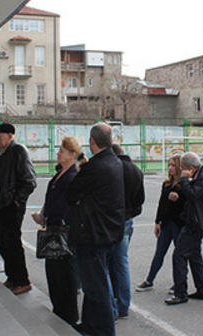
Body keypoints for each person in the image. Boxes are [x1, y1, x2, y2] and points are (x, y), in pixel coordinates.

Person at [65, 123, 125, 336]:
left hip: (92, 233)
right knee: (94, 283)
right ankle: (89, 324)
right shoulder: (116, 162)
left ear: (92, 142)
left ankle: (106, 330)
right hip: (109, 232)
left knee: (97, 287)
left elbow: (71, 193)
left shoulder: (94, 166)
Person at [32, 136, 86, 326]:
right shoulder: (60, 174)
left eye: (62, 151)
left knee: (65, 274)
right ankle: (59, 309)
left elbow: (66, 205)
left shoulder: (72, 176)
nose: (58, 153)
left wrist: (49, 217)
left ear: (72, 155)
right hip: (53, 227)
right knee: (53, 273)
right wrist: (43, 215)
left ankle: (69, 314)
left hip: (63, 230)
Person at [0, 123, 37, 294]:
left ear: (10, 136)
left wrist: (17, 201)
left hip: (11, 205)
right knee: (3, 242)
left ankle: (22, 280)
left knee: (12, 243)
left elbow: (29, 181)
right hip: (0, 204)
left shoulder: (18, 151)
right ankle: (12, 277)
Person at [165, 152, 203, 305]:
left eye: (183, 168)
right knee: (194, 255)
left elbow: (192, 194)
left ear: (190, 168)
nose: (181, 171)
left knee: (179, 255)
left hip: (197, 222)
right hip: (194, 220)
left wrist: (184, 179)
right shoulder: (201, 176)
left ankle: (180, 292)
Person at [137, 155, 185, 292]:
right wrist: (157, 222)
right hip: (166, 223)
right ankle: (149, 280)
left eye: (173, 165)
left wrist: (178, 199)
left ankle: (179, 283)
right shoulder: (167, 184)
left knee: (179, 255)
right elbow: (161, 203)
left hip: (178, 223)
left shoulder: (184, 184)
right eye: (169, 165)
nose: (170, 168)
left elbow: (187, 204)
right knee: (159, 252)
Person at [109, 144, 145, 320]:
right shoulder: (136, 170)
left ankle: (117, 304)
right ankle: (123, 304)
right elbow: (140, 200)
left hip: (114, 220)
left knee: (111, 263)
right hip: (127, 219)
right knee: (121, 262)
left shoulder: (114, 169)